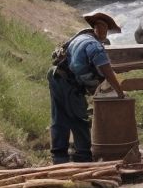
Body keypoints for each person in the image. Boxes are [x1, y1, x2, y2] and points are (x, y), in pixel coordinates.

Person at [49, 12, 126, 164]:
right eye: (102, 28)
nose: (103, 32)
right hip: (69, 82)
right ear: (98, 29)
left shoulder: (81, 37)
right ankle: (83, 155)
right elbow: (106, 69)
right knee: (79, 118)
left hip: (56, 75)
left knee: (60, 116)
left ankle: (59, 156)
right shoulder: (95, 46)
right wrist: (119, 92)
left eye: (105, 29)